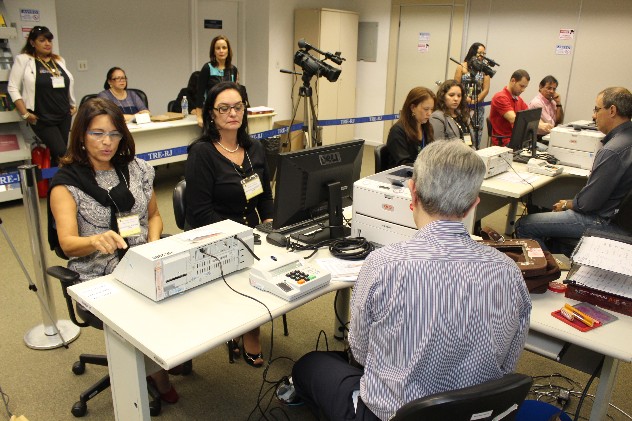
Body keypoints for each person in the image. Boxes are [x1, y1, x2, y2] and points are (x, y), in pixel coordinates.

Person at [292, 140, 531, 421]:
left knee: (309, 365)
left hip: (388, 415)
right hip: (475, 414)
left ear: (412, 191)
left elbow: (360, 353)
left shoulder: (382, 265)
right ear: (473, 204)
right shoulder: (509, 272)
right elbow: (507, 364)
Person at [47, 97, 179, 403]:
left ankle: (161, 355)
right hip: (97, 275)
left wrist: (153, 242)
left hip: (143, 262)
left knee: (184, 293)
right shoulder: (67, 184)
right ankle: (157, 374)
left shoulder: (138, 169)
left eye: (114, 133)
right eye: (97, 133)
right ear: (81, 135)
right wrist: (94, 240)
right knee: (142, 312)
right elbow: (67, 243)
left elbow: (154, 216)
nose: (107, 142)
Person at [185, 81, 272, 367]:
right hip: (213, 237)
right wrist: (240, 236)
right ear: (211, 114)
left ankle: (248, 321)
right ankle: (249, 329)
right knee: (251, 271)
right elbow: (200, 212)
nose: (232, 113)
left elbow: (265, 196)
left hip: (253, 234)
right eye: (223, 108)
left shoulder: (255, 148)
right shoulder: (202, 153)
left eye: (238, 107)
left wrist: (270, 223)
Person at [515, 87, 632, 252]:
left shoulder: (612, 151)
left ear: (612, 110)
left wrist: (567, 204)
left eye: (597, 109)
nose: (594, 115)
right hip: (621, 220)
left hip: (603, 221)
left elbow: (587, 203)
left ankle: (548, 266)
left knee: (525, 225)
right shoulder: (626, 140)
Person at [8, 26, 76, 166]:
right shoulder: (24, 60)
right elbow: (12, 87)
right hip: (42, 117)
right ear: (32, 42)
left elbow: (67, 83)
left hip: (63, 115)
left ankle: (56, 179)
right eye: (42, 40)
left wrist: (73, 104)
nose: (47, 44)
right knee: (62, 152)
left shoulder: (59, 60)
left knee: (57, 155)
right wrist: (25, 113)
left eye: (49, 40)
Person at [385, 87, 435, 168]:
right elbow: (404, 164)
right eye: (426, 109)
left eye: (431, 109)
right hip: (403, 174)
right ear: (413, 108)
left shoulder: (427, 128)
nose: (429, 113)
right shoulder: (397, 131)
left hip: (423, 172)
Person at [196, 35, 239, 127]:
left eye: (224, 48)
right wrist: (199, 116)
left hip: (229, 114)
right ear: (213, 51)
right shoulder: (207, 68)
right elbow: (200, 94)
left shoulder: (233, 69)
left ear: (228, 50)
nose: (221, 51)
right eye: (218, 48)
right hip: (211, 114)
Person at [454, 42, 491, 148]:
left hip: (478, 107)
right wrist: (465, 99)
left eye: (484, 53)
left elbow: (486, 89)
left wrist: (475, 101)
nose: (482, 56)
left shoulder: (484, 69)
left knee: (476, 132)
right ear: (473, 52)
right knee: (462, 131)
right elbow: (456, 85)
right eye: (480, 53)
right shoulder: (461, 66)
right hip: (462, 105)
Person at [489, 69, 535, 146]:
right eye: (521, 86)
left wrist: (543, 125)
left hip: (516, 139)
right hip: (504, 142)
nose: (523, 90)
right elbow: (514, 119)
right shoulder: (500, 97)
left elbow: (530, 116)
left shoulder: (518, 99)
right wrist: (539, 125)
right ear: (513, 81)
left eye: (525, 87)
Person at [429, 80, 474, 147]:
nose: (456, 99)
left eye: (459, 96)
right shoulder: (437, 117)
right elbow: (438, 147)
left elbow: (471, 141)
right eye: (451, 95)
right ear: (442, 96)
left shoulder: (461, 114)